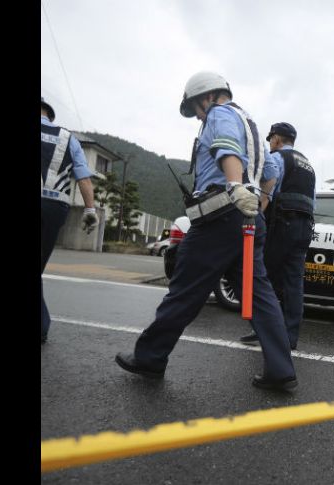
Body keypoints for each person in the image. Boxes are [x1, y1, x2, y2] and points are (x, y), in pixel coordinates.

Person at [115, 71, 297, 390]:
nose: (199, 116)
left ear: (207, 97)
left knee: (185, 287)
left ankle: (150, 357)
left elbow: (226, 147)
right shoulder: (252, 126)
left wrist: (235, 186)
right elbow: (271, 173)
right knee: (259, 294)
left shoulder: (219, 114)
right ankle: (281, 370)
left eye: (196, 109)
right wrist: (256, 204)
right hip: (250, 218)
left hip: (219, 216)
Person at [240, 122, 315, 350]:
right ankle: (290, 337)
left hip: (282, 224)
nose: (270, 143)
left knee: (265, 278)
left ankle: (263, 330)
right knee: (294, 283)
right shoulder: (308, 165)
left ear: (277, 139)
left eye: (271, 139)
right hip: (305, 227)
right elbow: (313, 200)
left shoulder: (277, 158)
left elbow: (268, 192)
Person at [41, 96, 98, 344]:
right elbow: (83, 177)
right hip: (56, 207)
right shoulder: (68, 138)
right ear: (49, 114)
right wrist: (90, 210)